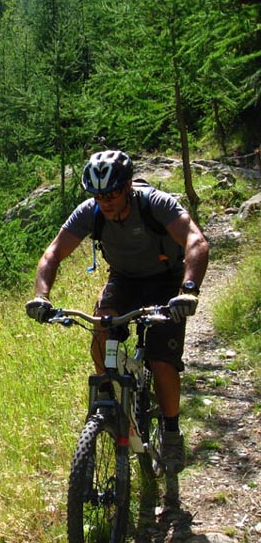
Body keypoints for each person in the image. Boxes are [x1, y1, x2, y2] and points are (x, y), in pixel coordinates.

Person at [25, 150, 209, 477]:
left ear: (127, 188)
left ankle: (170, 433)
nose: (105, 202)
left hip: (166, 281)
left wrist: (189, 291)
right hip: (123, 279)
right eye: (98, 195)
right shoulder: (91, 212)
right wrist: (42, 297)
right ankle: (107, 409)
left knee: (161, 361)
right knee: (101, 329)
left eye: (111, 193)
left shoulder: (155, 203)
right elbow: (52, 254)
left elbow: (196, 241)